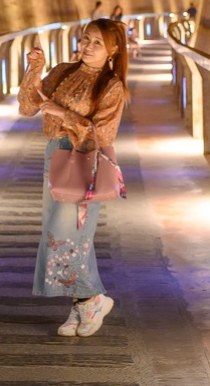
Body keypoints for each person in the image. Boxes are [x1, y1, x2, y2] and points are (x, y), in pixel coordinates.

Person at [17, 19, 130, 337]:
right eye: (85, 39)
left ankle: (89, 300)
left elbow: (103, 133)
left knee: (64, 233)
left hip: (84, 159)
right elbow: (28, 106)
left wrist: (62, 114)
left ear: (113, 50)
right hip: (55, 155)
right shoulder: (64, 71)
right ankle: (86, 303)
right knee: (65, 234)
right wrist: (35, 69)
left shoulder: (111, 87)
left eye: (97, 43)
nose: (87, 47)